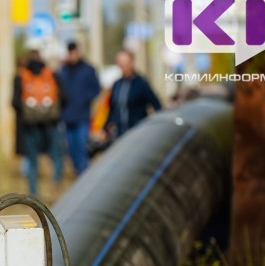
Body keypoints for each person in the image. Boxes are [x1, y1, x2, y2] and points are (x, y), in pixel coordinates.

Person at [12, 49, 64, 197]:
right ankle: (56, 183)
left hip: (30, 125)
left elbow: (15, 102)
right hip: (51, 123)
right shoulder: (51, 74)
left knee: (32, 160)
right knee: (56, 155)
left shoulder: (21, 76)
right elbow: (64, 96)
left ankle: (33, 193)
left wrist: (29, 113)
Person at [59, 41, 100, 175]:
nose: (72, 55)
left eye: (74, 52)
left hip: (82, 116)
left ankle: (84, 175)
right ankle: (78, 172)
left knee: (82, 147)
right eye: (70, 52)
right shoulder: (64, 70)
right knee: (71, 149)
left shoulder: (88, 70)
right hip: (67, 116)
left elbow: (96, 89)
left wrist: (85, 100)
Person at [105, 50, 161, 138]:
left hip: (137, 132)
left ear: (131, 63)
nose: (123, 66)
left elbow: (156, 104)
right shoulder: (117, 84)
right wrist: (106, 127)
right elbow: (112, 108)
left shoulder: (141, 83)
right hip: (119, 133)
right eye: (120, 63)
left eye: (125, 63)